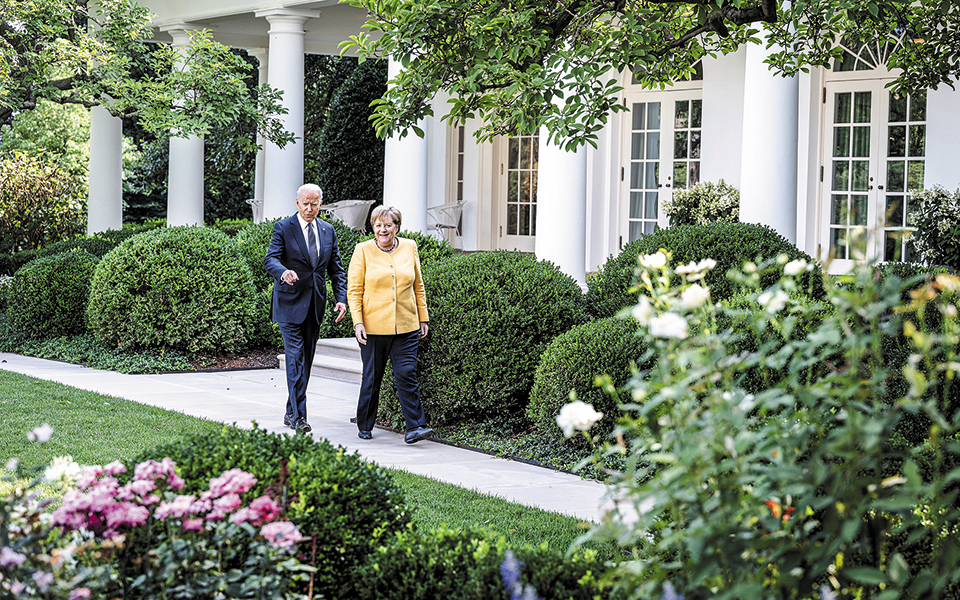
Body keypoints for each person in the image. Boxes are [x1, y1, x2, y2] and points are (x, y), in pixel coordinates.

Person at [264, 184, 347, 433]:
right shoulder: (283, 227)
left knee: (306, 362)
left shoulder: (327, 230)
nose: (309, 209)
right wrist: (283, 272)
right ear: (297, 203)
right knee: (295, 359)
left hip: (315, 305)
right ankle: (300, 417)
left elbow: (336, 270)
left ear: (320, 204)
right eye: (305, 204)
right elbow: (270, 259)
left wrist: (341, 299)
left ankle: (291, 411)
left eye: (314, 204)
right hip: (289, 304)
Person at [348, 206, 434, 444]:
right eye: (378, 225)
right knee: (372, 378)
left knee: (406, 374)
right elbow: (354, 291)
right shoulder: (362, 250)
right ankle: (365, 424)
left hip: (406, 326)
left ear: (397, 227)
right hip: (373, 328)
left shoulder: (409, 246)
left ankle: (415, 427)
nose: (383, 229)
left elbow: (418, 285)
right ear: (373, 227)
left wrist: (422, 317)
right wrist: (358, 322)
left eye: (388, 225)